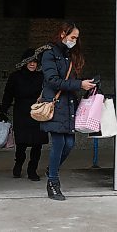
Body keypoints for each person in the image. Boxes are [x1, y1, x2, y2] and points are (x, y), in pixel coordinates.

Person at [40, 21, 96, 201]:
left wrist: (85, 84)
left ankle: (52, 169)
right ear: (63, 34)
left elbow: (70, 81)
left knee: (70, 144)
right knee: (58, 144)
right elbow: (53, 81)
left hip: (70, 105)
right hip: (56, 105)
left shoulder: (69, 55)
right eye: (73, 37)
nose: (75, 41)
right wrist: (79, 84)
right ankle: (53, 183)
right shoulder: (49, 53)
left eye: (77, 38)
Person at [0, 48, 49, 181]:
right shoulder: (15, 76)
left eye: (35, 62)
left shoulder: (41, 76)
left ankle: (32, 170)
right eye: (30, 62)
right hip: (21, 112)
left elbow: (49, 92)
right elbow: (8, 94)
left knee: (37, 143)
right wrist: (3, 110)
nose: (33, 64)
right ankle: (18, 164)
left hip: (38, 112)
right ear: (24, 62)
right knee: (21, 142)